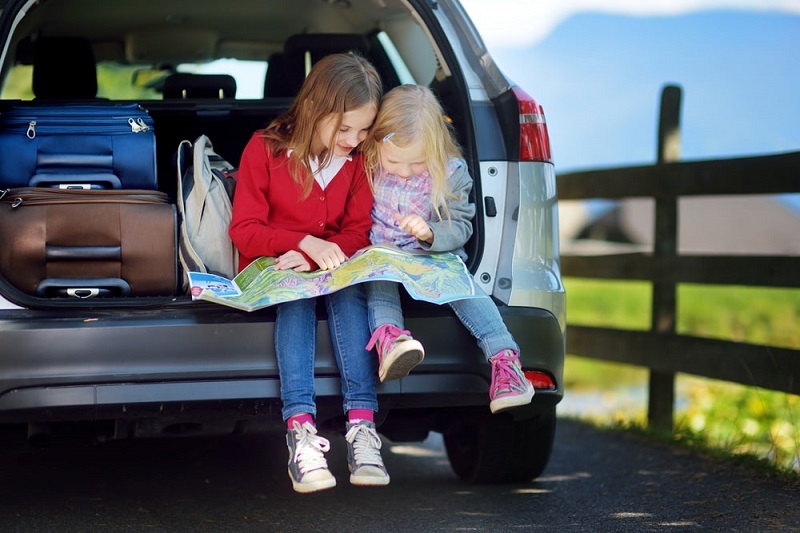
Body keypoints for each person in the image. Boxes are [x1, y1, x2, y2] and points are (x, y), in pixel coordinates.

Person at [229, 53, 388, 493]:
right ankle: (301, 433)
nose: (354, 140)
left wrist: (322, 254)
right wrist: (302, 244)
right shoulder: (264, 149)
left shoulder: (358, 161)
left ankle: (362, 427)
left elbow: (359, 230)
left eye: (364, 130)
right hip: (279, 268)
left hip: (332, 266)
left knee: (350, 295)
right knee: (295, 301)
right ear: (316, 109)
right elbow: (245, 231)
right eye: (343, 129)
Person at [362, 84, 535, 413]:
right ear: (376, 143)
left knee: (463, 288)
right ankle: (393, 343)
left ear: (436, 148)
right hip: (384, 255)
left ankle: (506, 364)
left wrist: (430, 233)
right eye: (395, 161)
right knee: (378, 282)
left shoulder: (452, 173)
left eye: (417, 163)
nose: (404, 170)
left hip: (434, 256)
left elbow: (461, 226)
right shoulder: (369, 163)